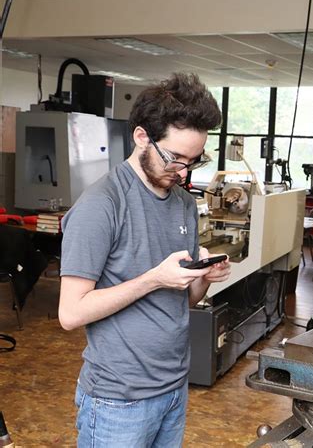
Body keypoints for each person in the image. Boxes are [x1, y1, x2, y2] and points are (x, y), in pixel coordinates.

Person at [58, 73, 231, 447]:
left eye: (194, 161)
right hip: (118, 399)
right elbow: (70, 314)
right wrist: (154, 278)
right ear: (141, 137)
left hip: (173, 388)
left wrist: (202, 278)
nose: (183, 173)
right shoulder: (101, 205)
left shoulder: (184, 203)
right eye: (175, 158)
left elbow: (180, 302)